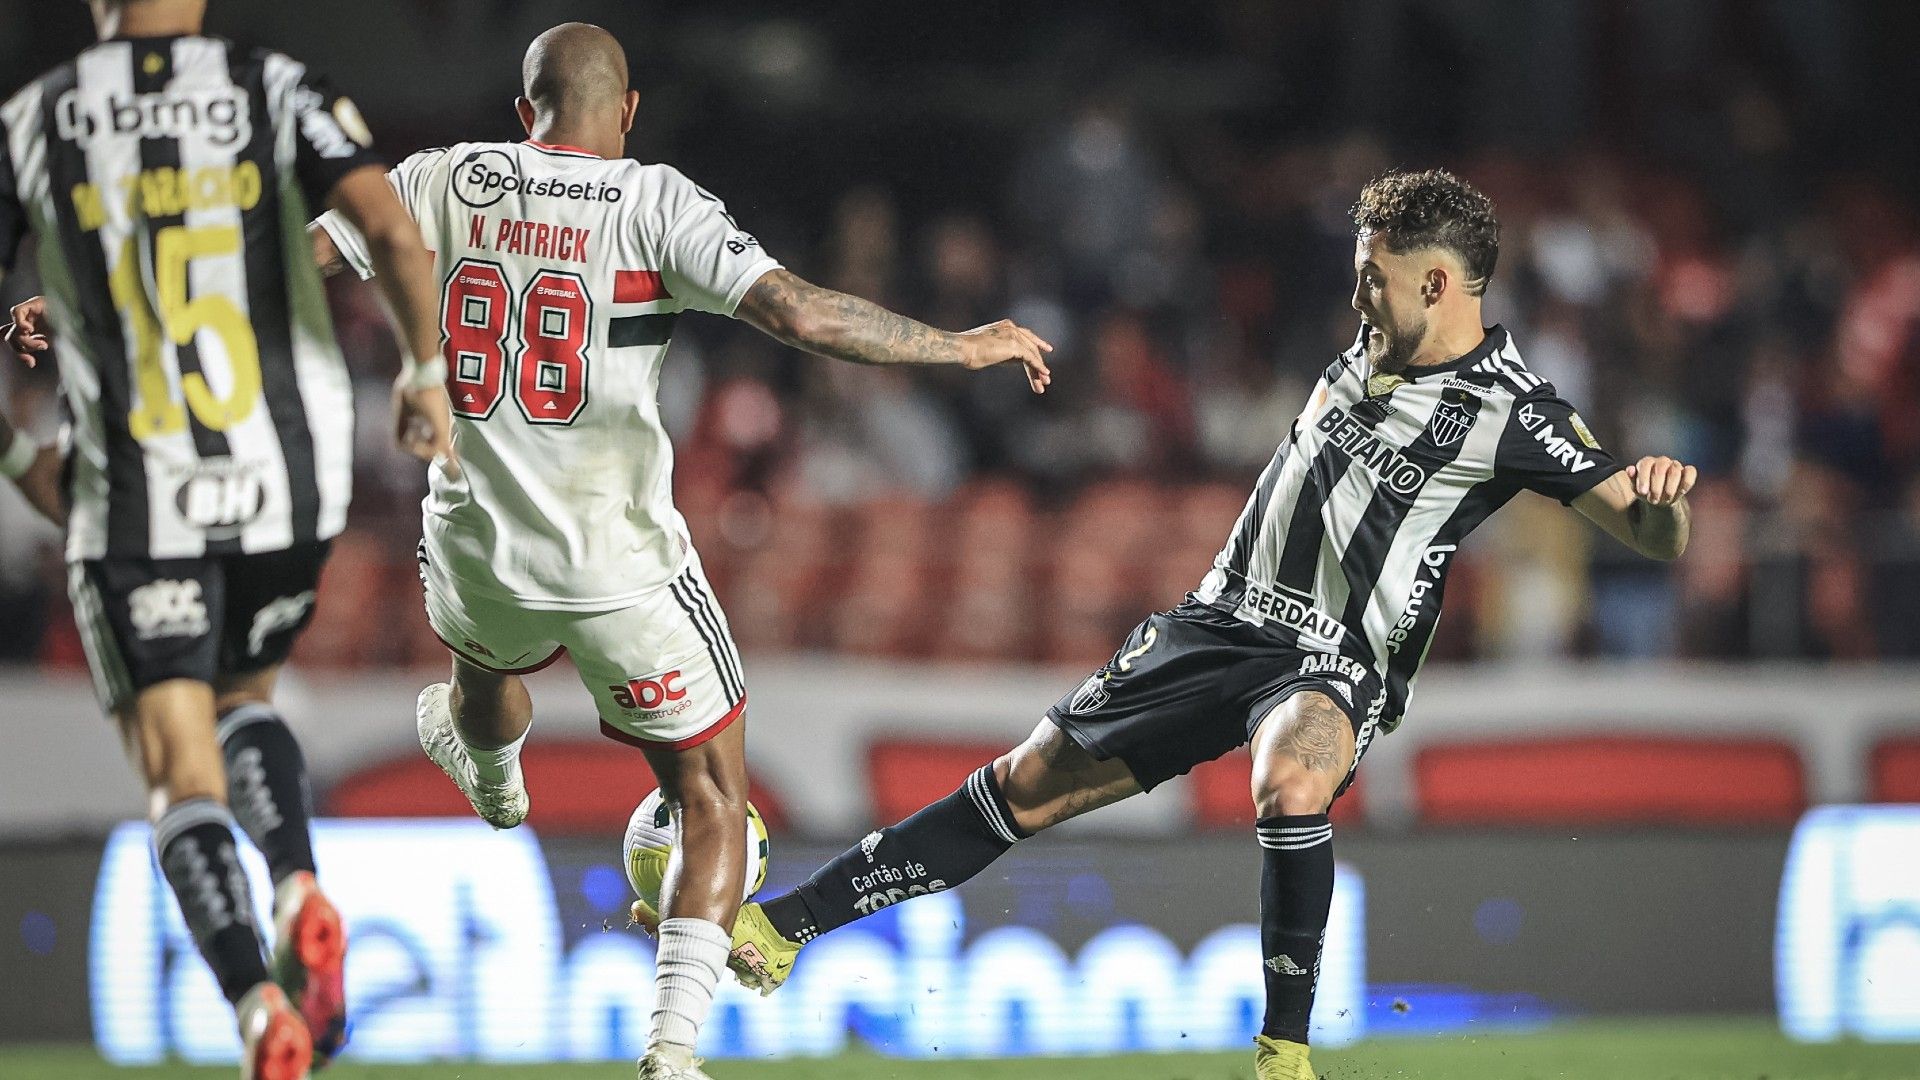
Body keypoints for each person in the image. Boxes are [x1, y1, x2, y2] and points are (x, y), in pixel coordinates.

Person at [680, 169, 1698, 1080]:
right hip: (1218, 618)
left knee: (1291, 778)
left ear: (1439, 284)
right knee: (1021, 788)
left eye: (1373, 278)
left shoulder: (1513, 412)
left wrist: (1661, 496)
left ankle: (1284, 1053)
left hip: (1335, 658)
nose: (1355, 296)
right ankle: (782, 927)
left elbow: (1651, 529)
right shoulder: (1367, 343)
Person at [310, 23, 1051, 1080]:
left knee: (486, 665)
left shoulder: (448, 176)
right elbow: (796, 311)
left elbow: (299, 255)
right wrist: (957, 343)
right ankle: (671, 1054)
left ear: (526, 115)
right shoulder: (655, 199)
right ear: (628, 111)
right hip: (619, 565)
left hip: (474, 537)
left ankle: (488, 757)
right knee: (710, 794)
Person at [0, 2, 454, 1077]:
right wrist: (424, 374)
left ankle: (257, 1006)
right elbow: (391, 230)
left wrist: (20, 458)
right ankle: (299, 881)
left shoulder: (39, 117)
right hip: (283, 477)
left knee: (179, 769)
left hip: (138, 485)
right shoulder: (277, 84)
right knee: (243, 698)